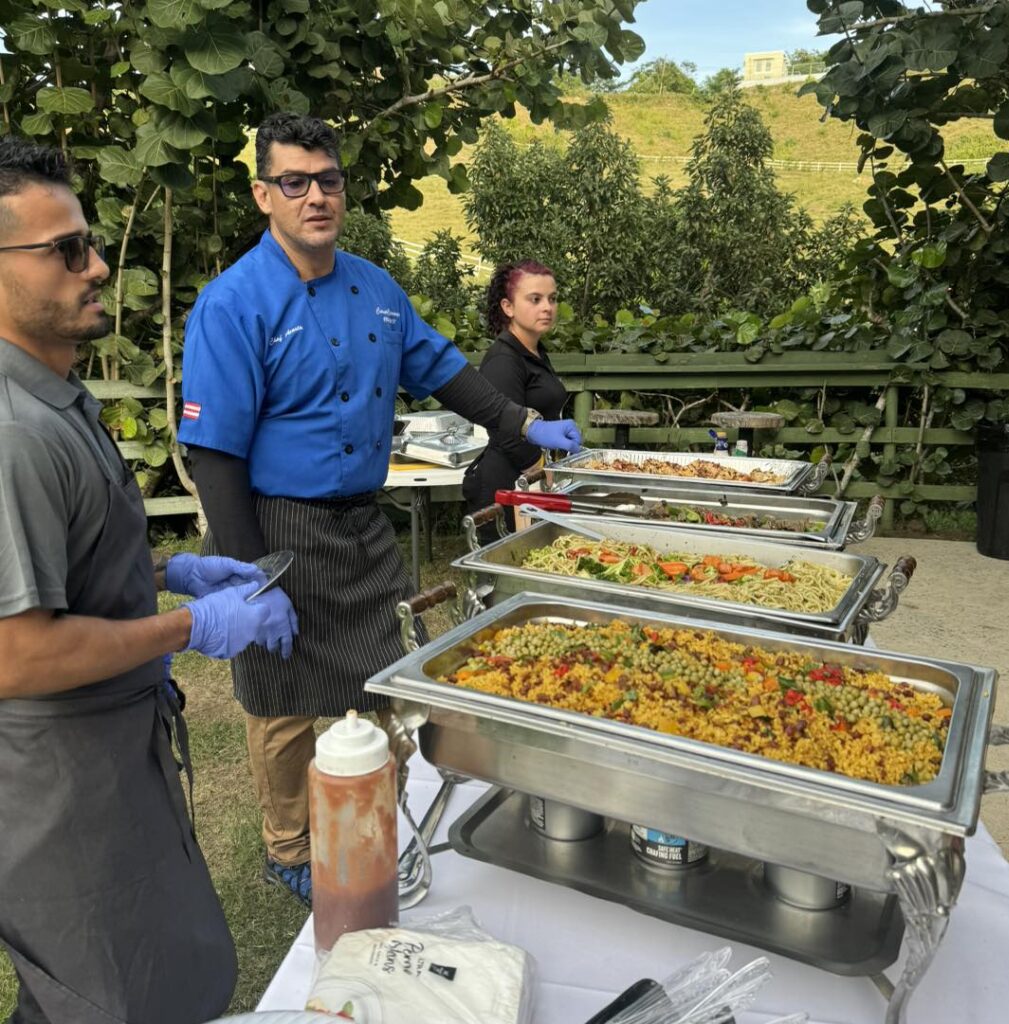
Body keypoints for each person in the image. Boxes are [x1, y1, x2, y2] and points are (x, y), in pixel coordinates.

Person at [177, 112, 582, 907]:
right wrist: (247, 575)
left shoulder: (376, 288)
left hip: (363, 522)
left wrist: (522, 423)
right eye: (295, 182)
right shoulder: (233, 305)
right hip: (275, 520)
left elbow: (446, 370)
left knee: (383, 677)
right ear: (265, 194)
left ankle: (370, 811)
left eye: (328, 179)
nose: (315, 195)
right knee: (284, 700)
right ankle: (290, 847)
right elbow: (215, 454)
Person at [0, 136, 299, 1024]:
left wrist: (170, 572)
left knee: (161, 964)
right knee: (111, 991)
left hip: (113, 755)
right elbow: (15, 653)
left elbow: (65, 566)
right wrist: (192, 628)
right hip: (61, 787)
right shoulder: (13, 433)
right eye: (65, 251)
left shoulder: (57, 396)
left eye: (87, 242)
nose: (96, 266)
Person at [462, 261, 568, 539]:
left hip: (531, 483)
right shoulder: (503, 359)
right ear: (508, 307)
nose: (547, 307)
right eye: (535, 299)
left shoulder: (534, 352)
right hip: (506, 488)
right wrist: (543, 474)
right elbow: (505, 431)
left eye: (552, 299)